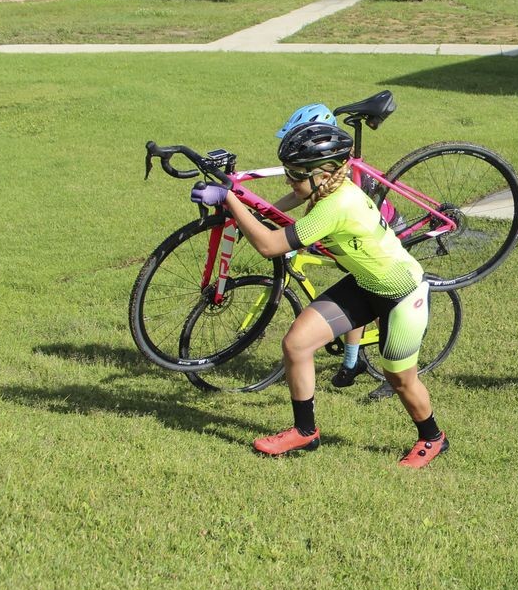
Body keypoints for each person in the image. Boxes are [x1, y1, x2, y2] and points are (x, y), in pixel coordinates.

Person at [190, 121, 447, 467]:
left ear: (324, 173)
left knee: (399, 378)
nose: (289, 179)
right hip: (366, 283)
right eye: (288, 171)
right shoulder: (327, 188)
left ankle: (433, 437)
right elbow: (291, 201)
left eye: (296, 173)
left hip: (403, 295)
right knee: (296, 343)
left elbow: (269, 245)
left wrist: (229, 199)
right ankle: (305, 432)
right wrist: (244, 203)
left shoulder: (335, 206)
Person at [271, 104, 374, 391]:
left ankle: (353, 360)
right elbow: (295, 196)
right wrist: (262, 213)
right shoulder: (322, 177)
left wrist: (290, 241)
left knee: (362, 290)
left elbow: (315, 225)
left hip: (376, 242)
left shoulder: (339, 189)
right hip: (345, 238)